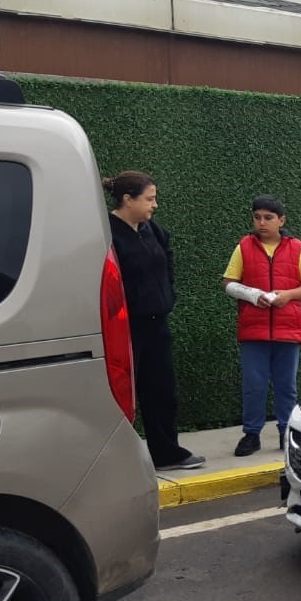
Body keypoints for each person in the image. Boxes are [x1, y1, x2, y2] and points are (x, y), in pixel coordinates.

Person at [103, 171, 205, 472]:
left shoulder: (153, 230)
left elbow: (167, 263)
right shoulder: (107, 233)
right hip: (125, 327)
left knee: (161, 390)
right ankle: (118, 459)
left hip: (156, 323)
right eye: (149, 198)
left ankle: (166, 453)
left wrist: (167, 298)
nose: (155, 205)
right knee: (123, 392)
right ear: (127, 199)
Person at [221, 195, 301, 457]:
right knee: (254, 384)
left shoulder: (297, 248)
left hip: (288, 330)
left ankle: (287, 432)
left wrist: (286, 296)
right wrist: (253, 295)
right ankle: (251, 434)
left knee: (287, 385)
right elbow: (228, 282)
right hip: (254, 330)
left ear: (281, 220)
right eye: (257, 217)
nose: (261, 223)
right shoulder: (243, 247)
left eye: (268, 218)